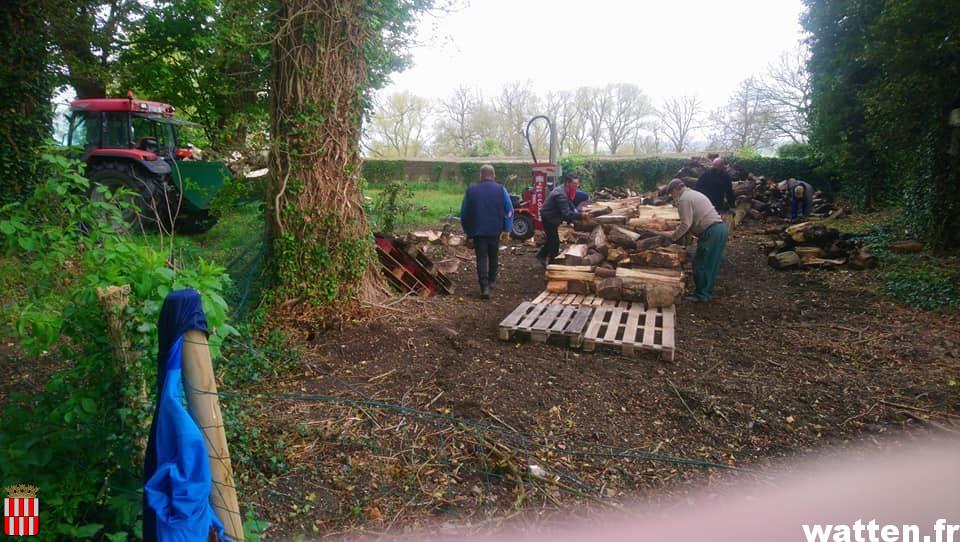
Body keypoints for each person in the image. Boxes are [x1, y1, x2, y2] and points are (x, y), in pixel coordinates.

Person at [665, 178, 729, 302]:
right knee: (710, 264)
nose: (672, 197)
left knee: (701, 264)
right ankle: (705, 292)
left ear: (675, 189)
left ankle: (702, 295)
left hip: (712, 232)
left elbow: (685, 224)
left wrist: (672, 239)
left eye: (671, 194)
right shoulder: (693, 194)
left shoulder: (684, 199)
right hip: (719, 229)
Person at [460, 164, 513, 300]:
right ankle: (491, 281)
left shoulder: (471, 190)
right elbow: (509, 210)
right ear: (494, 175)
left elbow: (464, 213)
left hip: (478, 232)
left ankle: (484, 287)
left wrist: (468, 231)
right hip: (495, 231)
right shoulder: (501, 190)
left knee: (481, 258)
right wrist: (507, 229)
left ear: (481, 175)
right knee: (494, 256)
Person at [537, 173, 586, 267]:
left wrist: (576, 211)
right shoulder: (560, 194)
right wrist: (581, 216)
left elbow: (569, 203)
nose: (577, 186)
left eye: (577, 184)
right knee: (555, 243)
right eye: (575, 184)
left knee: (551, 239)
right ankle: (552, 265)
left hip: (551, 216)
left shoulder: (564, 189)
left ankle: (541, 255)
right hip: (549, 218)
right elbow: (566, 214)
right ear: (568, 183)